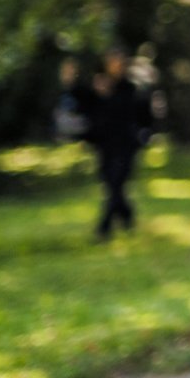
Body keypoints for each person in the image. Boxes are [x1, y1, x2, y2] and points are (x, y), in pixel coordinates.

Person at [75, 46, 152, 241]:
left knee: (117, 185)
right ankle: (127, 215)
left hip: (126, 143)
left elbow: (138, 113)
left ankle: (104, 229)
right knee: (111, 185)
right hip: (104, 143)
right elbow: (87, 111)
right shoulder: (97, 85)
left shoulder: (130, 87)